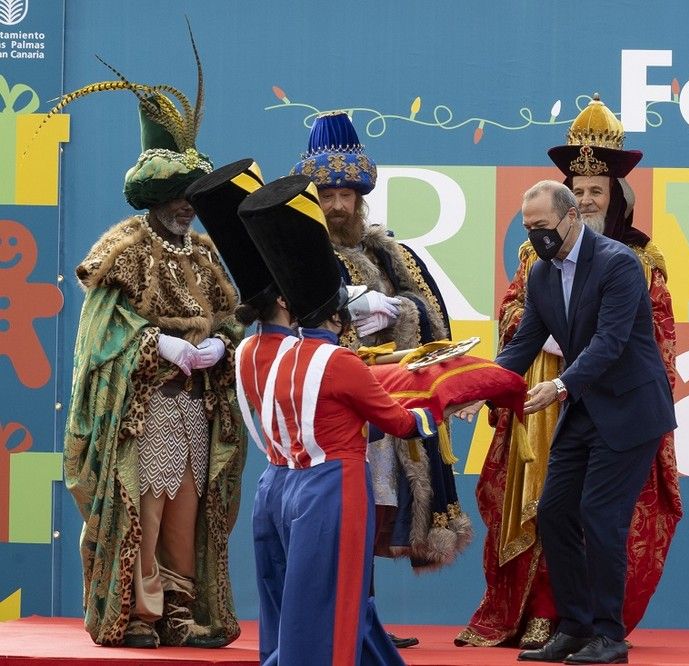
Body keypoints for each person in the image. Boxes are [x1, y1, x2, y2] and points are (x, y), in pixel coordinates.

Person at [457, 94, 682, 651]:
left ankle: (608, 635)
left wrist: (558, 385)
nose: (534, 236)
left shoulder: (622, 264)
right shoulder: (540, 273)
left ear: (572, 216)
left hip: (630, 409)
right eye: (527, 226)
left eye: (541, 225)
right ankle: (575, 626)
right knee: (556, 512)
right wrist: (472, 389)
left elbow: (608, 345)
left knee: (600, 516)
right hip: (585, 408)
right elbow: (523, 342)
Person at [60, 43, 244, 649]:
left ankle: (181, 613)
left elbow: (231, 316)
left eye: (192, 193)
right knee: (146, 509)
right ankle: (137, 614)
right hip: (144, 410)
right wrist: (156, 344)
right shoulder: (123, 247)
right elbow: (100, 334)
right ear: (154, 196)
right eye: (176, 194)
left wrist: (220, 343)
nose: (186, 205)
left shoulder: (204, 253)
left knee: (189, 512)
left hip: (196, 409)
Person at [239, 174, 438, 666]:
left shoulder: (258, 351)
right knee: (330, 606)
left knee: (293, 604)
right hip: (332, 483)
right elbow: (396, 421)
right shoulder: (337, 361)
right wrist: (431, 413)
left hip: (277, 480)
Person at [291, 112, 470, 646]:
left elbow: (432, 313)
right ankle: (350, 622)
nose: (338, 204)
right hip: (332, 407)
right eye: (328, 193)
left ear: (361, 197)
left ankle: (364, 620)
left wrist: (398, 310)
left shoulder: (389, 251)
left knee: (375, 512)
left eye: (347, 193)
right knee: (342, 514)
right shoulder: (299, 254)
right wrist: (345, 307)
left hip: (389, 404)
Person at [185, 158, 296, 664]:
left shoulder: (249, 348)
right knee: (307, 595)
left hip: (271, 482)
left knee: (278, 587)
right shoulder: (301, 355)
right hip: (312, 481)